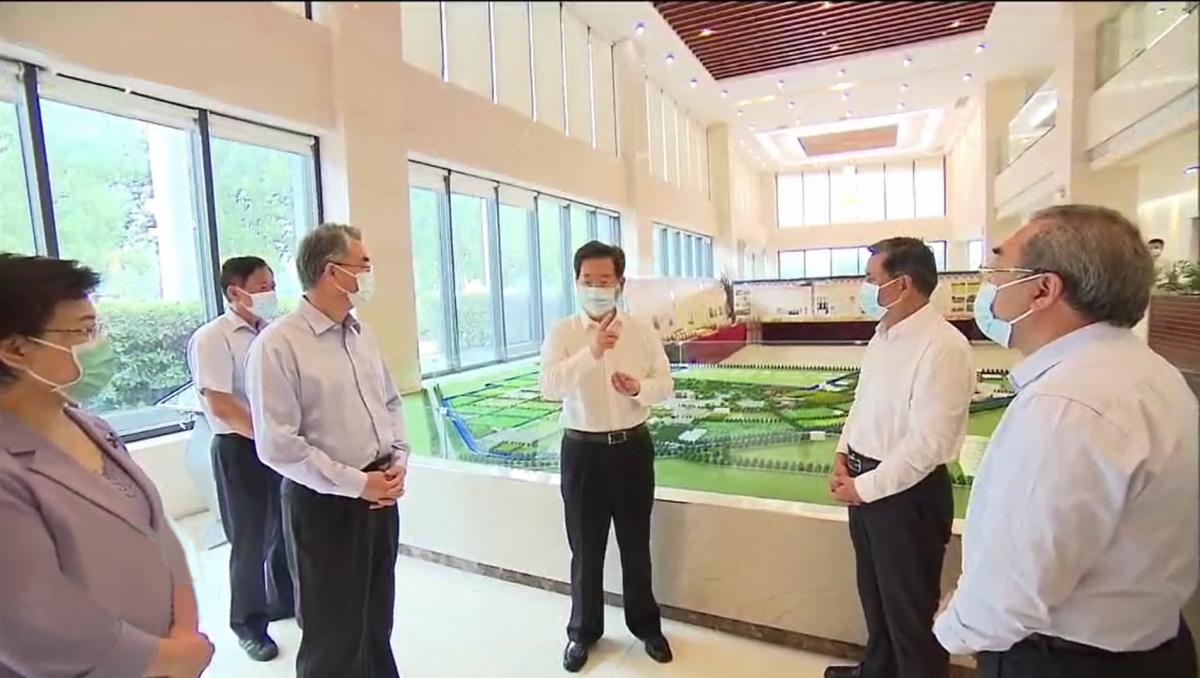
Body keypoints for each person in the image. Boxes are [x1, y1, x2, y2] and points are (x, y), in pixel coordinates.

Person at [935, 205, 1199, 678]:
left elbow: (1015, 587)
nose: (987, 283)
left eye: (998, 267)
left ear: (1042, 290)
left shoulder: (1066, 405)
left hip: (1064, 660)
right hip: (1151, 648)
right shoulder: (1149, 372)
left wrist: (952, 628)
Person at [0, 253, 214, 678]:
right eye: (83, 331)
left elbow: (157, 533)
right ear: (15, 350)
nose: (99, 345)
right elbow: (30, 622)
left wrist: (184, 628)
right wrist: (166, 660)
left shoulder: (92, 427)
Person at [245, 223, 408, 678]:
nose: (370, 273)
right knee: (333, 634)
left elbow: (390, 403)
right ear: (333, 272)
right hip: (325, 504)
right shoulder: (278, 345)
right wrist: (358, 483)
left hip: (380, 495)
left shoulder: (360, 334)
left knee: (376, 621)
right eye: (364, 264)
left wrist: (398, 460)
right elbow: (278, 445)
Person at [825, 237, 975, 678]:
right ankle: (877, 670)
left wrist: (864, 488)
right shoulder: (884, 334)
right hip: (864, 484)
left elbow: (929, 444)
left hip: (906, 496)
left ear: (903, 284)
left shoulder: (942, 347)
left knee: (911, 615)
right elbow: (863, 402)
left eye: (871, 279)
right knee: (875, 597)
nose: (864, 288)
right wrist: (843, 453)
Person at [540, 241, 675, 673]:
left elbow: (665, 383)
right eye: (587, 280)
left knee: (636, 543)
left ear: (620, 283)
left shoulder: (641, 331)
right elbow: (550, 386)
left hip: (632, 449)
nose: (595, 289)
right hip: (583, 452)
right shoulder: (563, 333)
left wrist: (640, 389)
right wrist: (592, 351)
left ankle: (646, 626)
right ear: (576, 281)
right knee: (585, 547)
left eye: (604, 280)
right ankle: (583, 632)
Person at [186, 256, 293, 661]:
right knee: (250, 539)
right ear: (235, 291)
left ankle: (284, 599)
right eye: (263, 286)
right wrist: (266, 438)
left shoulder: (271, 332)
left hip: (278, 445)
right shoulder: (213, 338)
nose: (271, 293)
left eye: (272, 285)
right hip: (240, 447)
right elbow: (220, 403)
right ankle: (248, 625)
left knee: (284, 527)